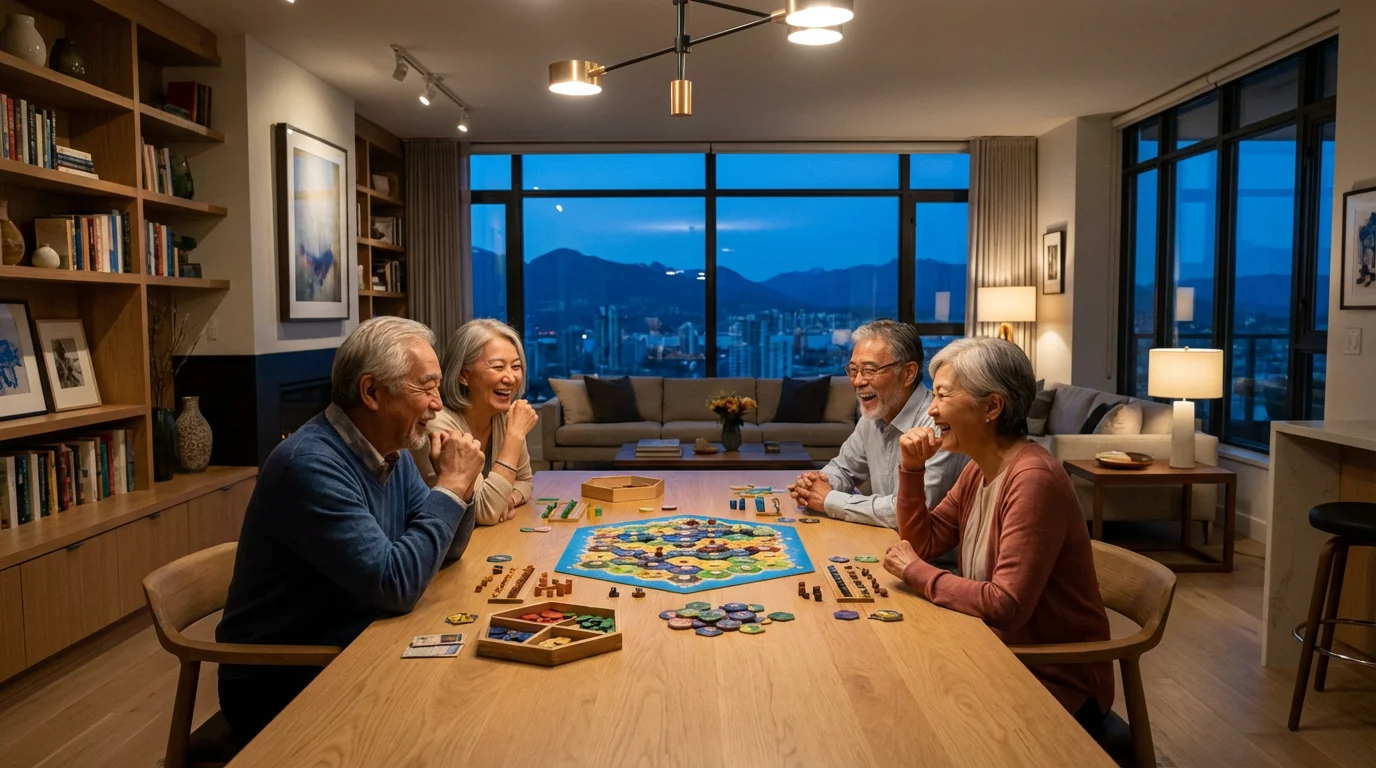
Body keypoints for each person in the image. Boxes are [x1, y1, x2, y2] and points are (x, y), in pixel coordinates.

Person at [217, 317, 485, 741]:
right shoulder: (309, 464)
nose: (438, 404)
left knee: (476, 692)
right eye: (426, 387)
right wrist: (451, 486)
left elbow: (446, 550)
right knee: (458, 717)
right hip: (287, 678)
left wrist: (461, 489)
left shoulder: (388, 450)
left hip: (359, 638)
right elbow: (395, 583)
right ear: (371, 392)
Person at [881, 337, 1113, 730]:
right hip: (993, 649)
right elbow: (926, 543)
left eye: (942, 396)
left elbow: (1006, 604)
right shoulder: (978, 468)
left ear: (992, 406)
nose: (931, 411)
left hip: (1051, 678)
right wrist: (911, 469)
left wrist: (914, 572)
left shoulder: (1032, 479)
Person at [789, 319, 967, 529]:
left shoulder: (939, 424)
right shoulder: (872, 417)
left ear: (908, 373)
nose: (857, 381)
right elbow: (844, 469)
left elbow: (912, 511)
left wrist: (828, 500)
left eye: (869, 370)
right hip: (885, 542)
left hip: (932, 558)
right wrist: (815, 484)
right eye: (853, 370)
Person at [410, 318, 537, 539]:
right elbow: (485, 511)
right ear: (463, 375)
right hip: (446, 550)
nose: (511, 378)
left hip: (488, 540)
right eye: (498, 367)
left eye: (516, 367)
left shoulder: (504, 416)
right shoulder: (437, 424)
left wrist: (510, 498)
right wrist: (515, 436)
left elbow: (525, 481)